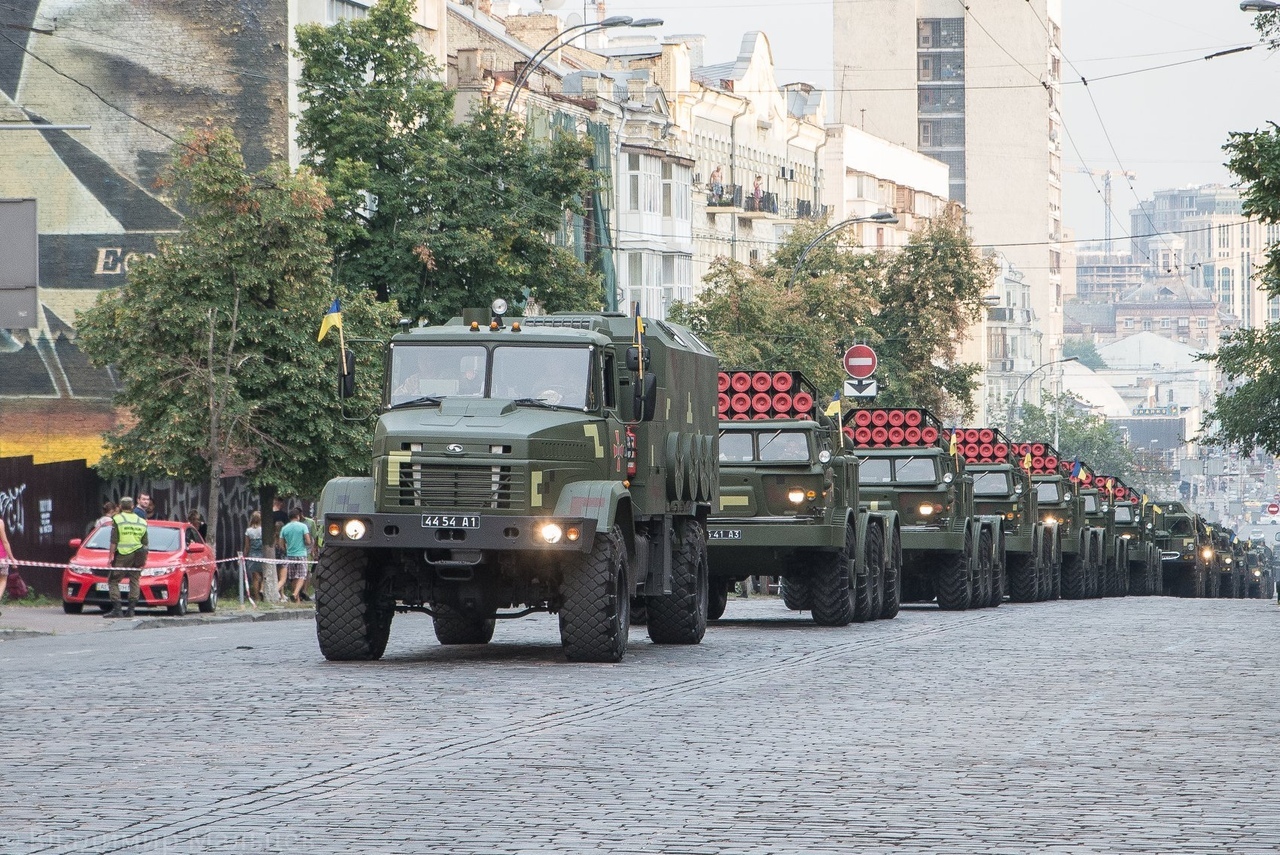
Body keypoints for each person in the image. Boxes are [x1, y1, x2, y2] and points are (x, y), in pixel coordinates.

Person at [104, 497, 148, 618]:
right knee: (134, 580)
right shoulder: (141, 521)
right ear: (132, 506)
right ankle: (131, 610)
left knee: (113, 580)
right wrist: (144, 558)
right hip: (139, 554)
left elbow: (114, 540)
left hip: (123, 554)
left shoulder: (118, 519)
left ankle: (117, 610)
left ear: (120, 506)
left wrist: (110, 557)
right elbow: (145, 542)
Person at [276, 508, 313, 603]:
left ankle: (297, 601)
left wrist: (287, 549)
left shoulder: (284, 528)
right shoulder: (303, 526)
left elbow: (281, 544)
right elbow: (308, 541)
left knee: (293, 578)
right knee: (302, 576)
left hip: (290, 555)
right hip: (301, 554)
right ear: (298, 516)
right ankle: (295, 594)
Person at [243, 511, 266, 602]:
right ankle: (262, 589)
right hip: (263, 555)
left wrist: (244, 556)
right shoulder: (263, 530)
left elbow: (247, 546)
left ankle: (257, 597)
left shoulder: (248, 531)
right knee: (265, 575)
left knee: (255, 578)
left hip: (252, 555)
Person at [0, 517, 13, 617]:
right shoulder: (0, 522)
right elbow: (5, 541)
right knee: (3, 580)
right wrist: (12, 558)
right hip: (2, 557)